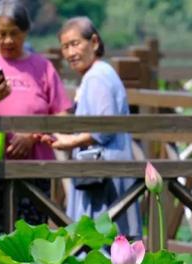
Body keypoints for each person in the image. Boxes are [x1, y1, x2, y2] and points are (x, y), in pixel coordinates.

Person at [0, 0, 72, 228]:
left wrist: (32, 135)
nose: (8, 41)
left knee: (31, 242)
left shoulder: (43, 67)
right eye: (1, 34)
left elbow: (62, 116)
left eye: (15, 33)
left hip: (34, 169)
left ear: (26, 32)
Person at [47, 17, 141, 238]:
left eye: (75, 44)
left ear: (95, 42)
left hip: (104, 170)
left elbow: (104, 127)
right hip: (101, 166)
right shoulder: (97, 74)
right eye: (65, 47)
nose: (70, 53)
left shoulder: (98, 76)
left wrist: (71, 141)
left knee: (101, 241)